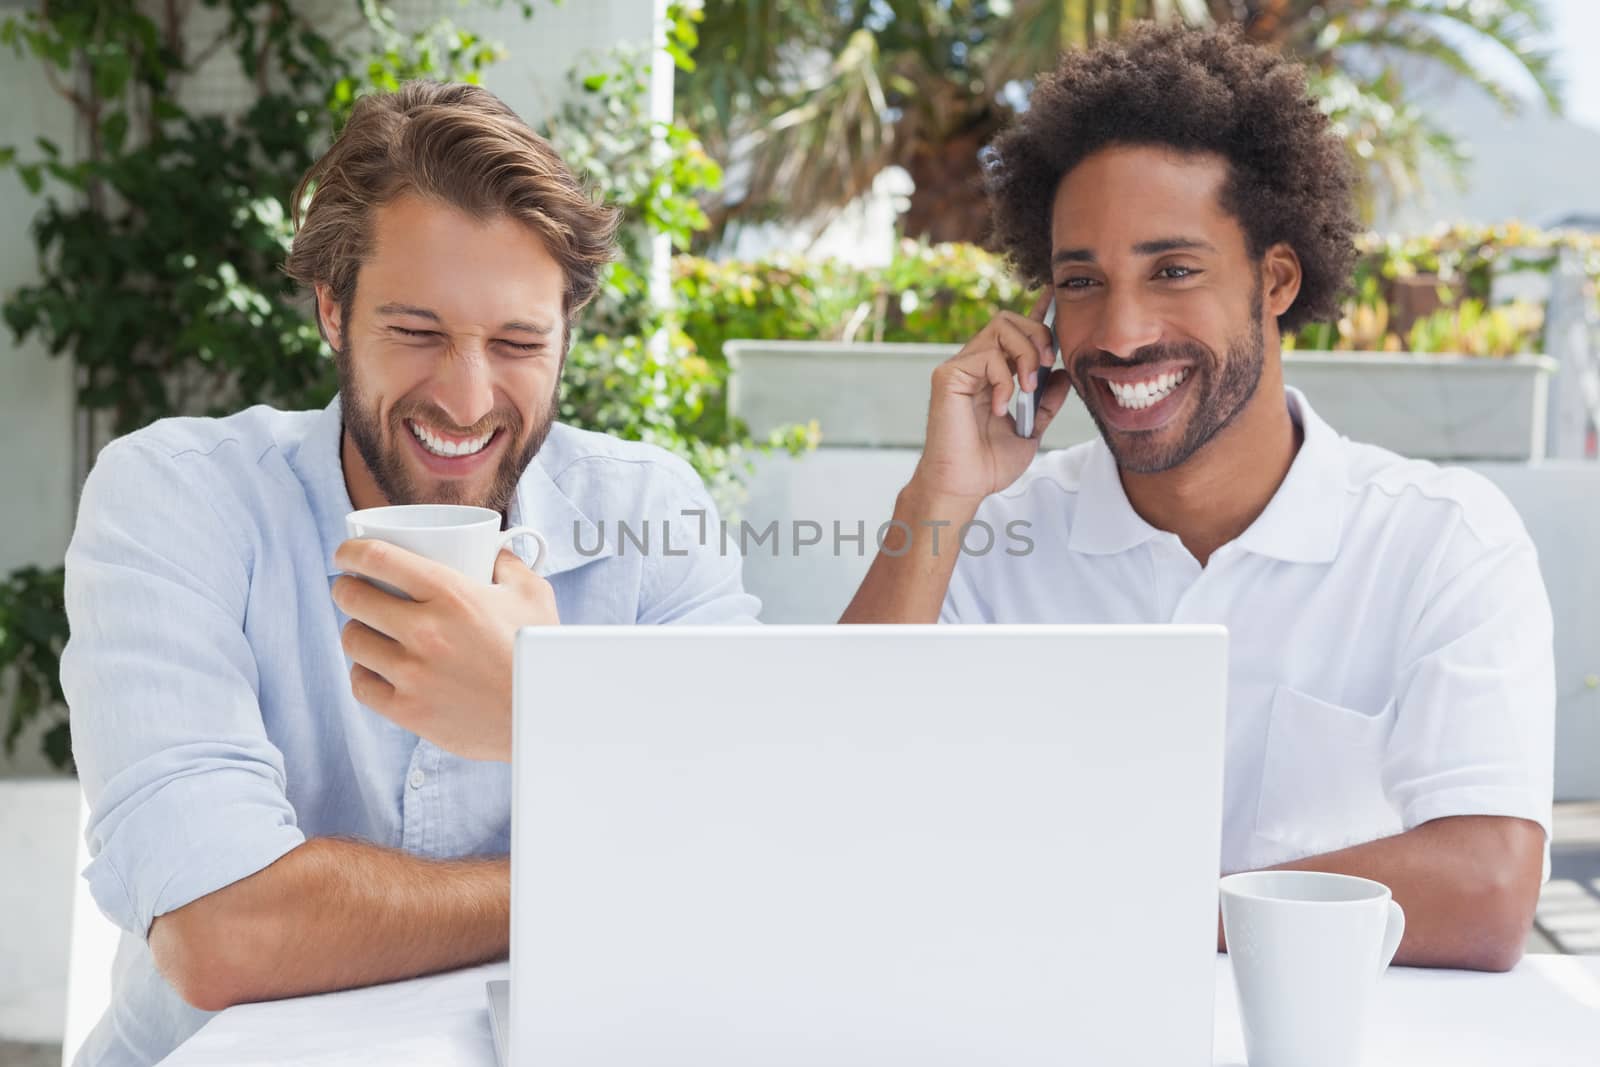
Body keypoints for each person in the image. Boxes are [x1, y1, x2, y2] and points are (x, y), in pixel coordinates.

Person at [61, 81, 757, 1066]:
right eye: (418, 332)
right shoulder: (180, 497)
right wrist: (607, 860)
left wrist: (543, 704)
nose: (467, 399)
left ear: (566, 339)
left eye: (518, 342)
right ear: (333, 311)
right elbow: (227, 933)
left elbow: (763, 840)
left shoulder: (651, 512)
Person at [843, 25, 1553, 972]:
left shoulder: (1440, 541)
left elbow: (1487, 885)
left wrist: (1127, 911)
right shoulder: (988, 537)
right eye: (1081, 282)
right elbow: (831, 792)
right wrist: (937, 494)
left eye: (1173, 271)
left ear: (1277, 279)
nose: (1123, 331)